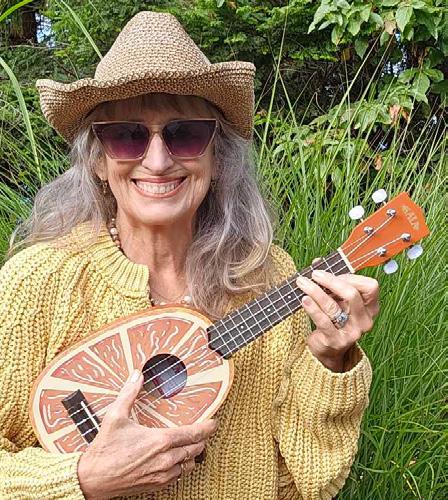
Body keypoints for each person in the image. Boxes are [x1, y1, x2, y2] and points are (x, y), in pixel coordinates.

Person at [0, 10, 379, 500]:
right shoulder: (38, 282)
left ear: (217, 158)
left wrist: (330, 357)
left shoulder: (269, 277)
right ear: (96, 160)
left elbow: (304, 482)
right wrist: (83, 480)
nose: (157, 161)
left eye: (186, 134)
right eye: (127, 136)